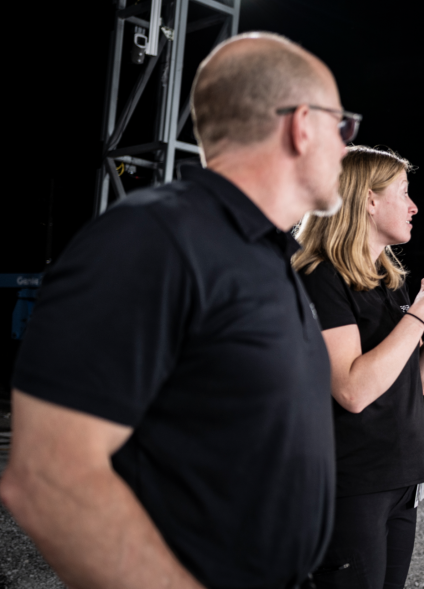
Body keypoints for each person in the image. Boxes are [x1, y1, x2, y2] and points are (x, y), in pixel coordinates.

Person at [0, 32, 349, 589]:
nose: (347, 147)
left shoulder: (262, 255)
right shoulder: (154, 238)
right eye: (343, 126)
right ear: (302, 124)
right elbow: (48, 477)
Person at [292, 145, 424, 589]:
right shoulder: (321, 276)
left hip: (399, 480)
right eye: (404, 193)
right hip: (349, 485)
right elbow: (351, 390)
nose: (414, 207)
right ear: (369, 200)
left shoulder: (386, 281)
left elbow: (417, 382)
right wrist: (418, 316)